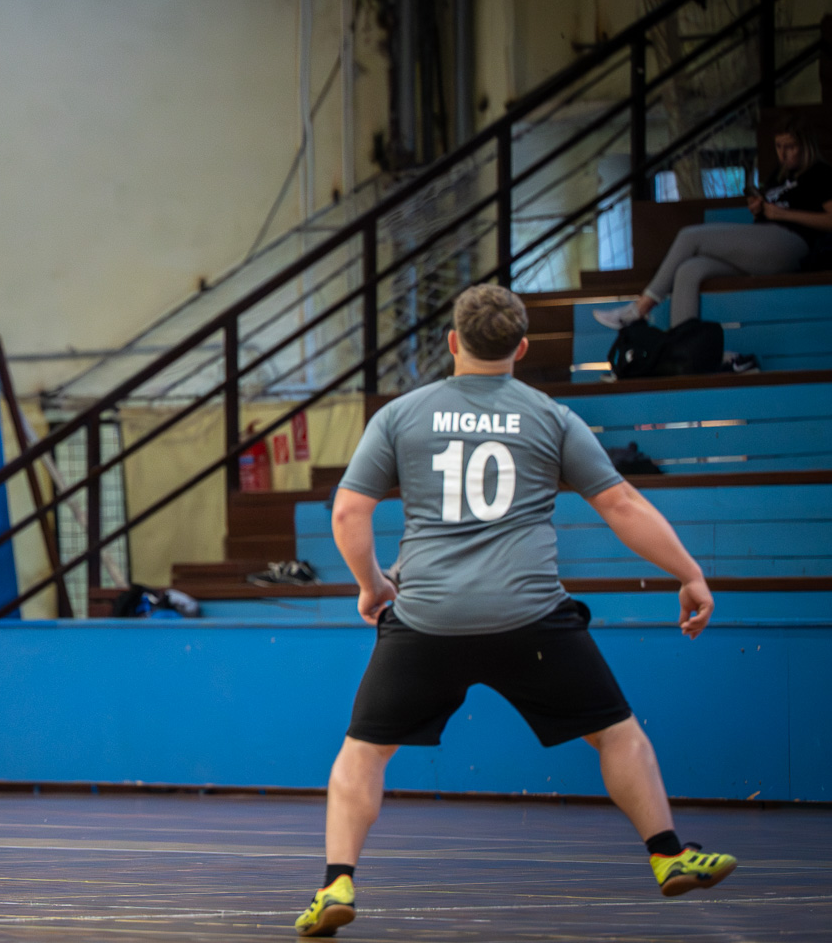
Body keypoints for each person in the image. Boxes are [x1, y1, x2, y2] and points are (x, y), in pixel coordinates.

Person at [294, 284, 735, 938]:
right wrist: (689, 573)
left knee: (362, 754)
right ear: (521, 349)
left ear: (452, 342)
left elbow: (348, 512)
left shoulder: (400, 415)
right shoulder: (552, 417)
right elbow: (621, 505)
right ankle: (667, 856)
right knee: (616, 734)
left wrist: (371, 586)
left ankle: (336, 882)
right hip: (531, 619)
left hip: (427, 620)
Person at [595, 118, 832, 330]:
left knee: (690, 236)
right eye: (779, 146)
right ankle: (685, 347)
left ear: (806, 146)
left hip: (791, 244)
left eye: (791, 147)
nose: (783, 154)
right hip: (761, 247)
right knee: (690, 269)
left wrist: (783, 214)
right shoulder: (779, 176)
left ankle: (640, 308)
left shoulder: (821, 174)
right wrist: (759, 209)